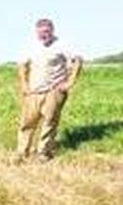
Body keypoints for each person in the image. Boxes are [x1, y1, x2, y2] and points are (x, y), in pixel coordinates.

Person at [15, 18, 83, 161]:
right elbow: (22, 65)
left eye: (47, 31)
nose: (44, 35)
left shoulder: (62, 45)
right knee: (27, 122)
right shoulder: (31, 46)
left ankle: (43, 153)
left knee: (49, 121)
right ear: (37, 32)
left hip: (53, 91)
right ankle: (22, 152)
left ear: (52, 30)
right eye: (41, 32)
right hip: (33, 92)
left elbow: (78, 60)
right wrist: (24, 85)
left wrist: (69, 82)